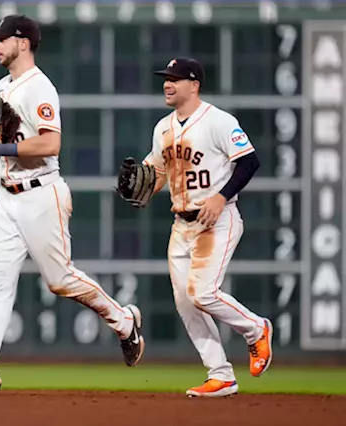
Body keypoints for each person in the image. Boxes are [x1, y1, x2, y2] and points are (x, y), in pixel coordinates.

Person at [0, 15, 145, 393]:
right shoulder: (3, 86)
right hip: (7, 196)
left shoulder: (39, 88)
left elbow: (50, 144)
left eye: (1, 39)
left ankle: (124, 321)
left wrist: (5, 148)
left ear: (23, 42)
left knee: (60, 280)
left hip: (41, 193)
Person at [138, 57, 273, 397]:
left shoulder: (219, 121)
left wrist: (221, 196)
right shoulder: (163, 129)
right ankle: (221, 375)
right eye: (166, 79)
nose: (168, 84)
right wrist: (142, 190)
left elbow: (249, 162)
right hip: (181, 224)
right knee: (185, 302)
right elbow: (157, 172)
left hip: (217, 219)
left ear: (194, 85)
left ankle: (256, 329)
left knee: (203, 293)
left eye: (175, 79)